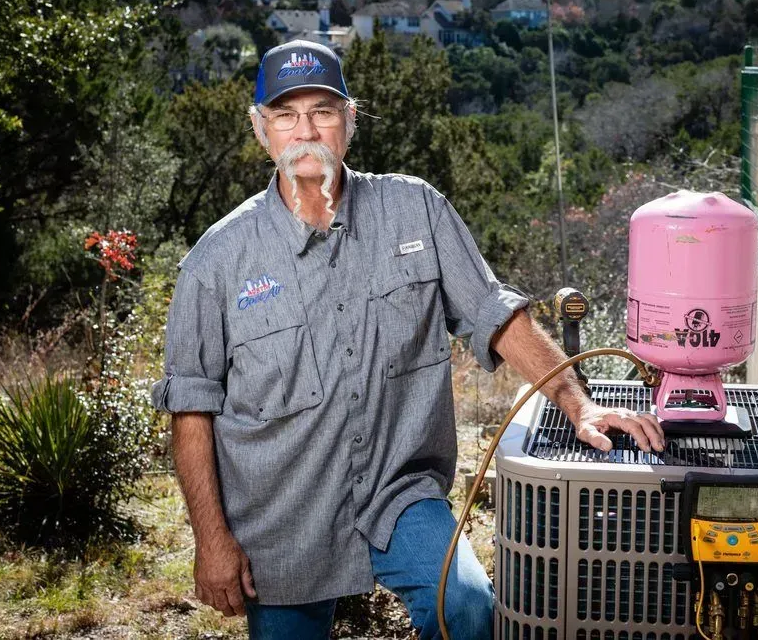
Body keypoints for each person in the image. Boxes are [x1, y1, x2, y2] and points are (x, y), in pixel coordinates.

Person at [150, 40, 664, 640]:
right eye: (286, 114)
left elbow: (497, 317)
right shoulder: (216, 260)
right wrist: (212, 540)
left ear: (351, 120)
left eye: (324, 110)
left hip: (399, 491)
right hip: (282, 516)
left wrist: (580, 405)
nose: (306, 130)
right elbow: (190, 407)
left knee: (467, 609)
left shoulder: (417, 210)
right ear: (260, 128)